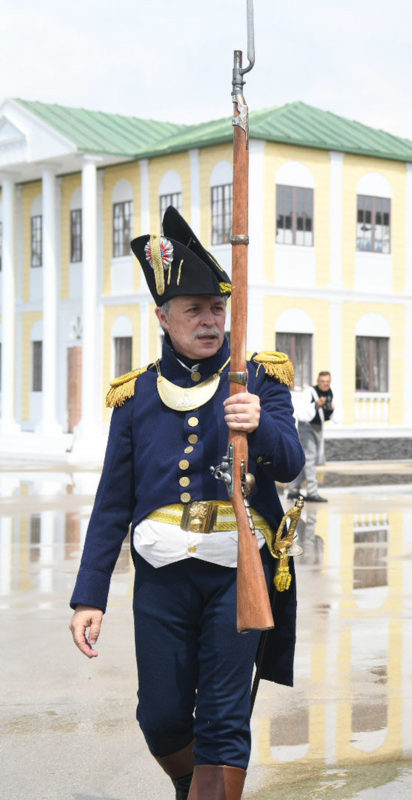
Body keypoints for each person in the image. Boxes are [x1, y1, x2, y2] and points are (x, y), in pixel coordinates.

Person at [67, 206, 303, 800]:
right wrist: (89, 595)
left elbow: (292, 464)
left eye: (217, 308)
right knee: (163, 717)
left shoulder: (259, 381)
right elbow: (111, 502)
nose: (209, 321)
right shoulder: (136, 396)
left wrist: (261, 427)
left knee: (224, 719)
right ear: (163, 316)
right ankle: (190, 784)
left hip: (236, 568)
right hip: (162, 576)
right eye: (194, 310)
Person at [286, 371, 333, 503]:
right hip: (306, 427)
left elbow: (329, 412)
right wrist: (317, 404)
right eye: (323, 382)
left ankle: (293, 489)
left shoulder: (329, 393)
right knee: (310, 458)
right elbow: (302, 412)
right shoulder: (309, 392)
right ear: (318, 381)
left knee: (308, 459)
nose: (325, 384)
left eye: (327, 382)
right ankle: (312, 492)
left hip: (318, 428)